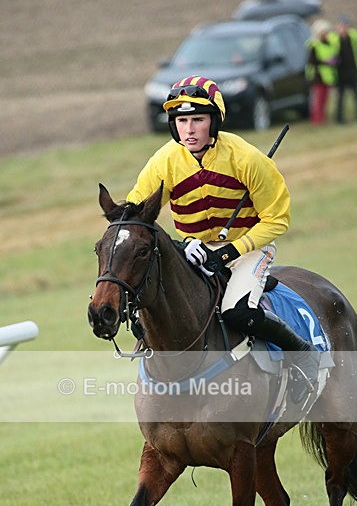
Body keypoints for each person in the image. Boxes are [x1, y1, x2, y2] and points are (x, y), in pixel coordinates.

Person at [126, 75, 320, 404]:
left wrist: (232, 250)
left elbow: (277, 218)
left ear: (214, 121)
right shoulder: (164, 161)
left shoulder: (247, 159)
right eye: (181, 121)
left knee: (237, 310)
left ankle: (304, 357)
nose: (188, 129)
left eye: (197, 120)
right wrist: (181, 245)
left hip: (249, 250)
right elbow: (138, 215)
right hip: (194, 251)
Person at [330, 15, 357, 123]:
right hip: (340, 74)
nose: (344, 28)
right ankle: (339, 118)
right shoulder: (334, 40)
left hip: (353, 72)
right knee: (340, 98)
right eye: (342, 25)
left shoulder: (354, 38)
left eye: (346, 25)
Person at [305, 19, 339, 125]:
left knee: (324, 99)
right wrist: (325, 62)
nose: (326, 34)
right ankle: (317, 120)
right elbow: (311, 61)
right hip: (317, 77)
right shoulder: (313, 45)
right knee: (318, 100)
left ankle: (322, 118)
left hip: (326, 76)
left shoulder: (327, 43)